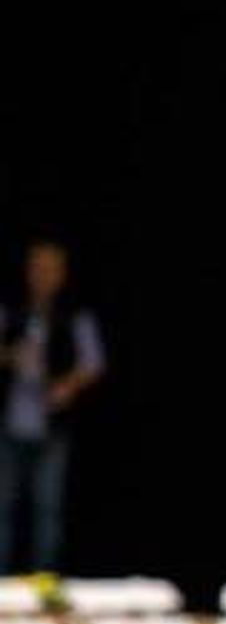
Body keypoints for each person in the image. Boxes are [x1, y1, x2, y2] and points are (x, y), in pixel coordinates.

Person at [0, 238, 106, 574]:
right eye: (37, 267)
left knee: (48, 511)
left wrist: (67, 385)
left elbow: (93, 362)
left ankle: (44, 587)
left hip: (52, 427)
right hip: (10, 423)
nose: (42, 274)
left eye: (50, 268)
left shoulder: (74, 314)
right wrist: (9, 356)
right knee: (2, 508)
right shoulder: (11, 309)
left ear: (62, 274)